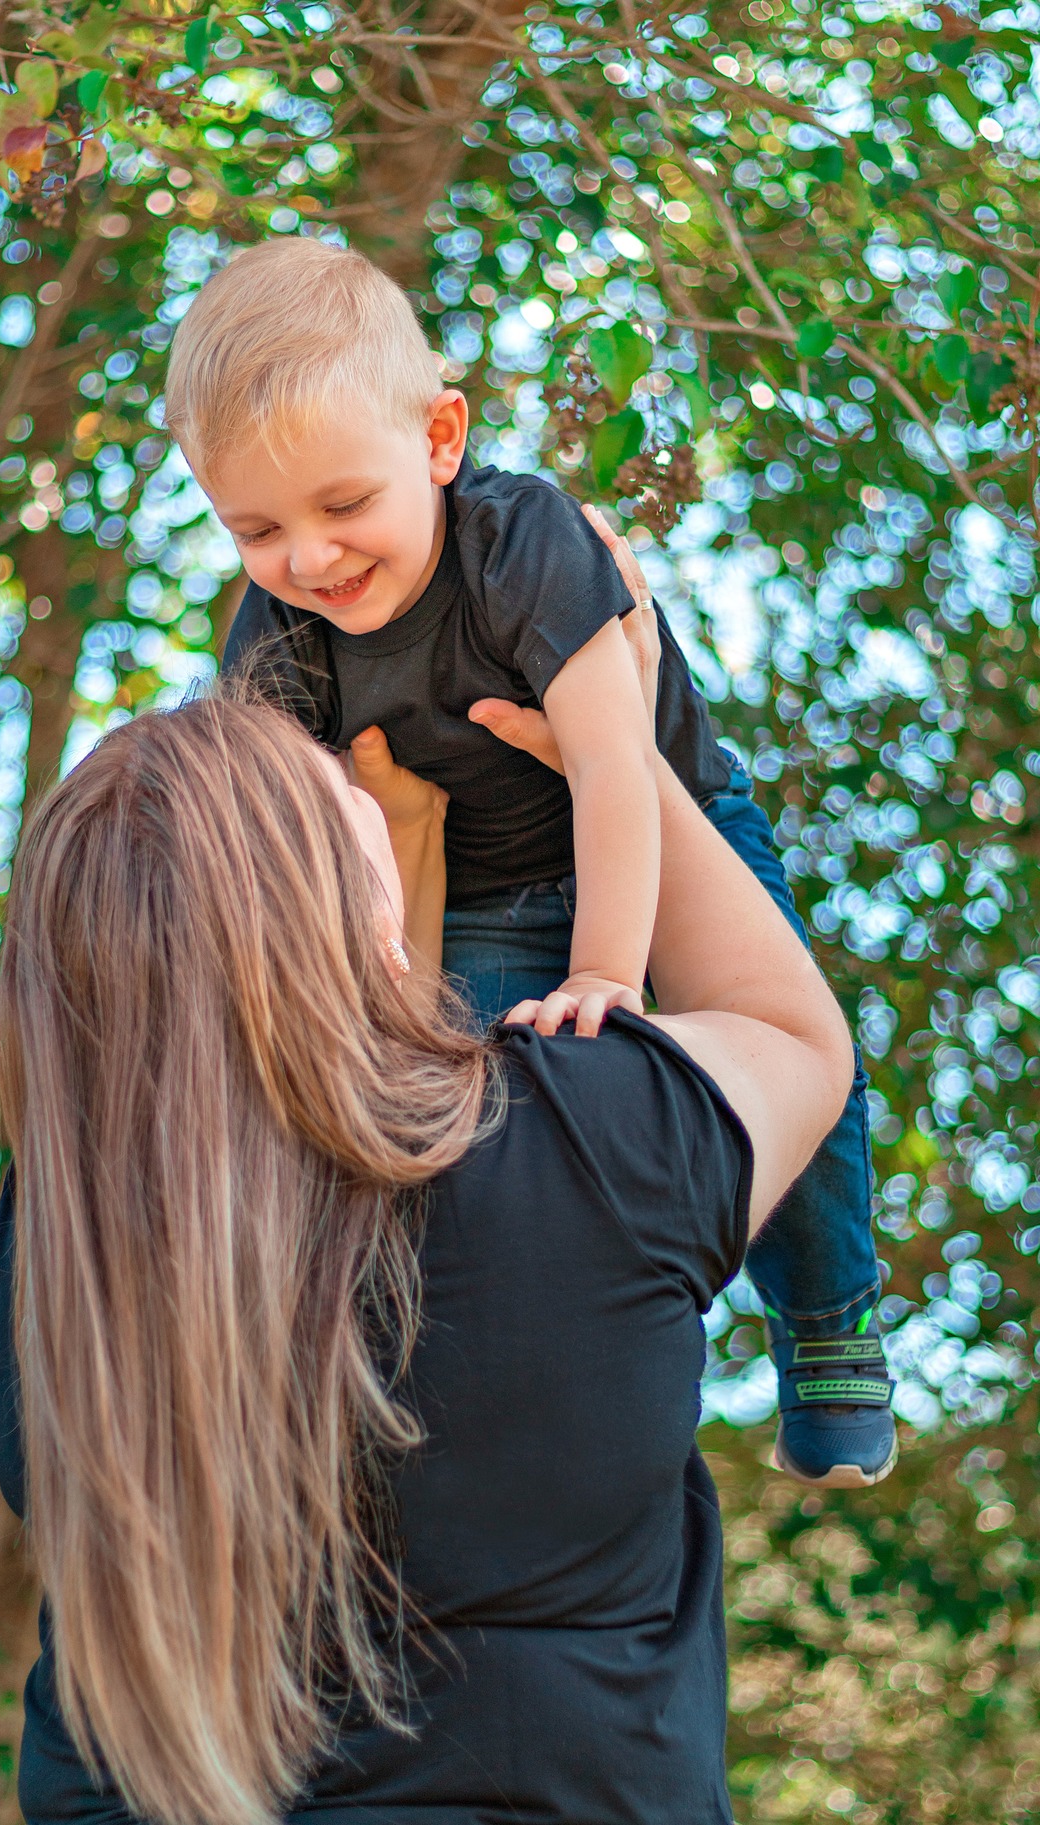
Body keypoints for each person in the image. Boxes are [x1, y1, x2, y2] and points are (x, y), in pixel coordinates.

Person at [0, 527, 854, 1824]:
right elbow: (796, 1038)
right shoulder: (580, 1141)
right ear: (340, 922)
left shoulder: (68, 1264)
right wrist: (616, 729)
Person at [161, 236, 895, 1487]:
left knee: (792, 1053)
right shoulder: (275, 641)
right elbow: (335, 876)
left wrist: (612, 967)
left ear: (439, 441)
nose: (312, 558)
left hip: (665, 821)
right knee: (485, 1128)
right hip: (489, 892)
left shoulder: (521, 544)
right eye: (258, 529)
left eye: (344, 505)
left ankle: (828, 1319)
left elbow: (610, 763)